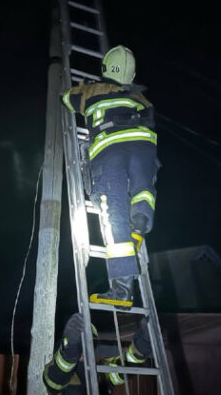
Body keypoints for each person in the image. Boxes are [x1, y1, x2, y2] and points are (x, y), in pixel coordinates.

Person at [62, 45, 159, 308]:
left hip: (109, 151)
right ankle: (139, 225)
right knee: (143, 190)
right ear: (132, 75)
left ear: (106, 68)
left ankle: (122, 291)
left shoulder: (92, 91)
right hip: (144, 146)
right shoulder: (141, 98)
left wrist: (81, 87)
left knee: (113, 212)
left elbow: (67, 99)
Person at [43, 313, 153, 394]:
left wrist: (141, 345)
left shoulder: (97, 371)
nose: (86, 351)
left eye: (90, 345)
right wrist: (70, 350)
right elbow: (55, 378)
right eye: (81, 344)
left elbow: (123, 368)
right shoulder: (57, 372)